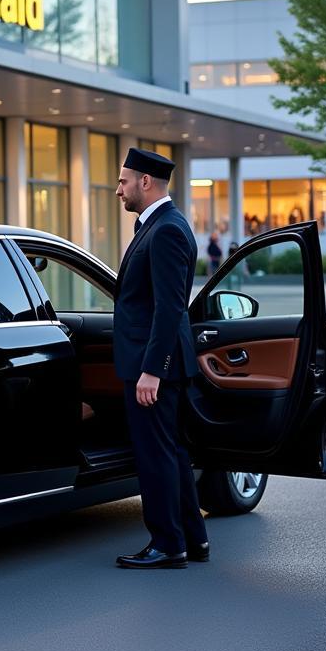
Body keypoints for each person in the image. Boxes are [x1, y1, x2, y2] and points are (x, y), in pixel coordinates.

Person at [112, 147, 208, 570]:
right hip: (162, 365)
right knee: (172, 453)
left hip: (154, 368)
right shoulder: (161, 225)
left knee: (157, 457)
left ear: (144, 182)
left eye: (123, 181)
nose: (119, 190)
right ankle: (192, 538)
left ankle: (167, 544)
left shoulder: (165, 230)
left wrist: (151, 370)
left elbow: (170, 308)